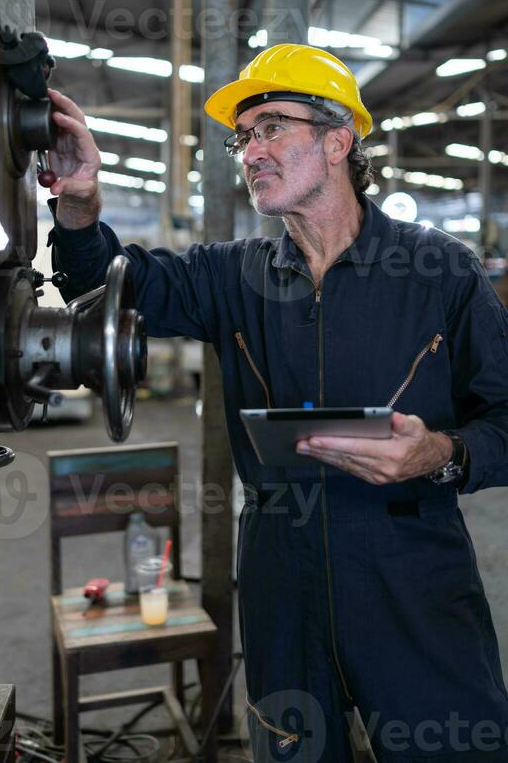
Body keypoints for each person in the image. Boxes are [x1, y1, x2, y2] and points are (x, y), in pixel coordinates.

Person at [46, 43, 508, 763]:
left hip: (410, 571)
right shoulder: (230, 275)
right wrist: (78, 204)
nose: (250, 150)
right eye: (243, 136)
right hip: (281, 579)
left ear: (337, 141)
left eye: (271, 128)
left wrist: (443, 453)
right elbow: (103, 292)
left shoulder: (439, 270)